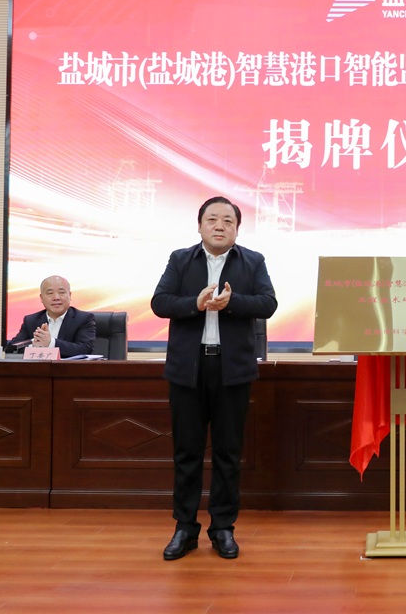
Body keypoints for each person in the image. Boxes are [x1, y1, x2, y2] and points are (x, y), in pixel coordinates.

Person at [151, 196, 277, 561]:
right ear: (200, 225)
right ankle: (184, 528)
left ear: (237, 228)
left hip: (231, 370)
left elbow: (268, 303)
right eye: (212, 219)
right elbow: (160, 302)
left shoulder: (252, 261)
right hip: (188, 370)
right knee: (187, 452)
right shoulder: (180, 259)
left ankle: (223, 528)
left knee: (227, 453)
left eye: (227, 221)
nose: (219, 226)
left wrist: (231, 303)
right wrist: (195, 304)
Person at [5, 275, 96, 357]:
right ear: (41, 298)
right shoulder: (31, 320)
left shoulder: (83, 319)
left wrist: (51, 343)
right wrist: (33, 345)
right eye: (50, 293)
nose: (56, 297)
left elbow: (85, 349)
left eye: (61, 292)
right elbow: (11, 348)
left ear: (70, 295)